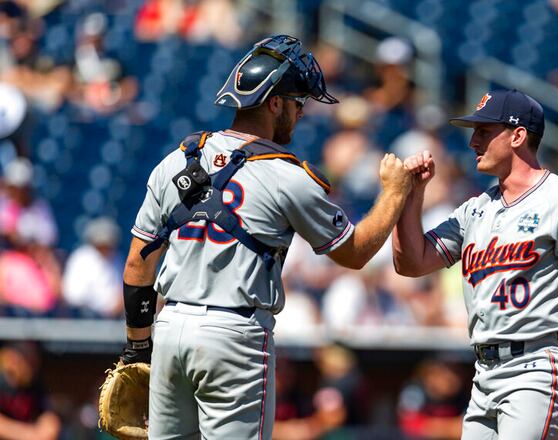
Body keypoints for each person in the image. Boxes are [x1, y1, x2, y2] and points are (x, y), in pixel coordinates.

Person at [118, 34, 413, 439]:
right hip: (233, 335)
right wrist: (395, 193)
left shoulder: (175, 160)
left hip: (170, 328)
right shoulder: (288, 176)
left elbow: (138, 262)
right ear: (274, 102)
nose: (300, 113)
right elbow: (355, 253)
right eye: (297, 103)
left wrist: (138, 348)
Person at [393, 89, 558, 438]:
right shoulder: (475, 210)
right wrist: (411, 197)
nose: (473, 142)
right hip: (485, 373)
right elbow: (412, 263)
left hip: (541, 363)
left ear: (518, 136)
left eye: (483, 132)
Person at [0, 341, 60, 440]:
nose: (33, 362)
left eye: (34, 356)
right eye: (26, 357)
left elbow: (50, 425)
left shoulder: (35, 386)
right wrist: (31, 435)